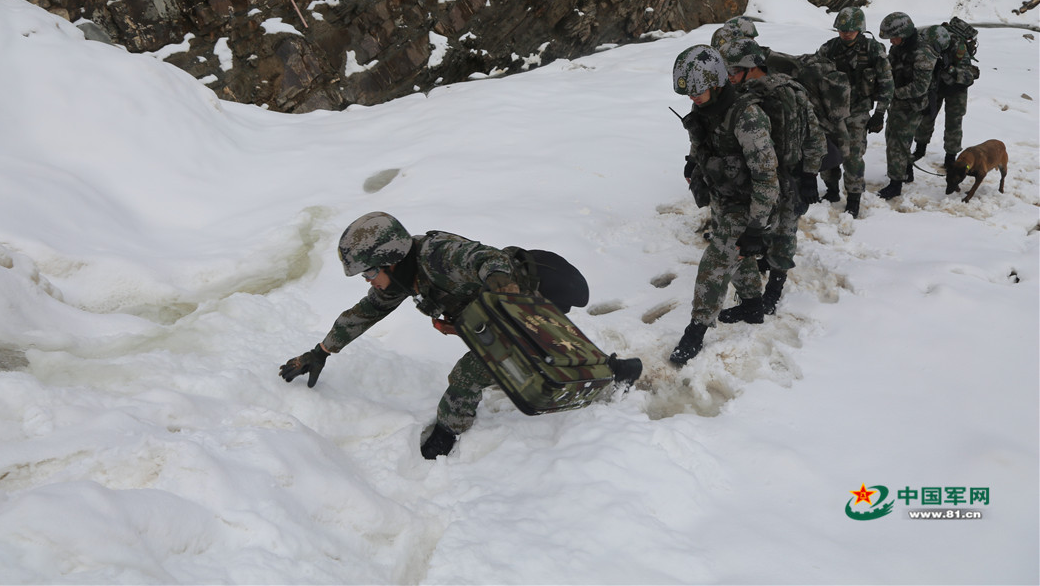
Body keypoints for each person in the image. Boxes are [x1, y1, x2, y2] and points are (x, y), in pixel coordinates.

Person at [279, 212, 641, 459]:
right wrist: (321, 351)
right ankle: (616, 369)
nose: (370, 280)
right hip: (494, 314)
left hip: (530, 299)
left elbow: (486, 259)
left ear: (390, 259)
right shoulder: (402, 277)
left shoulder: (438, 255)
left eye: (370, 272)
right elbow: (365, 312)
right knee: (539, 355)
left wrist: (504, 300)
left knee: (475, 374)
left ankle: (446, 435)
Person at [670, 45, 813, 367]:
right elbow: (703, 145)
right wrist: (694, 165)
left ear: (717, 82)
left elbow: (766, 176)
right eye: (688, 92)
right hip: (724, 196)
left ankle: (696, 329)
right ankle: (752, 305)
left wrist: (756, 226)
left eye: (698, 90)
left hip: (751, 202)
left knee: (716, 261)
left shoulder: (747, 116)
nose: (692, 96)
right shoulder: (707, 111)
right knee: (740, 258)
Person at [715, 39, 826, 322]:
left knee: (780, 233)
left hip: (777, 177)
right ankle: (767, 282)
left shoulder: (752, 98)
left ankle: (773, 292)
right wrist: (810, 174)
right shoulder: (794, 89)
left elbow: (813, 135)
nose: (729, 78)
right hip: (786, 175)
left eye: (733, 72)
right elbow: (815, 136)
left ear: (750, 69)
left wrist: (811, 175)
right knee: (779, 231)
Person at [814, 7, 894, 217]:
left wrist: (879, 114)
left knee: (853, 156)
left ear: (860, 29)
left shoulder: (873, 50)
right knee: (827, 152)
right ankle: (831, 191)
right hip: (831, 112)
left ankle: (854, 198)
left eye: (850, 30)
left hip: (858, 111)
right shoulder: (827, 49)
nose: (846, 33)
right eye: (842, 29)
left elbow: (887, 84)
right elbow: (813, 75)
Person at [876, 13, 942, 199]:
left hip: (912, 106)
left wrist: (892, 93)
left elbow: (920, 87)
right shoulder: (900, 47)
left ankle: (895, 184)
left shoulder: (923, 53)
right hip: (898, 103)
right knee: (894, 138)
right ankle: (906, 171)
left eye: (894, 37)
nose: (892, 41)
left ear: (904, 34)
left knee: (897, 143)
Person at [912, 23, 977, 170]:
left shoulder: (957, 47)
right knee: (927, 115)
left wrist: (951, 69)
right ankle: (920, 149)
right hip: (937, 84)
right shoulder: (927, 43)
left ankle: (950, 157)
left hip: (957, 88)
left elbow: (968, 76)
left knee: (954, 121)